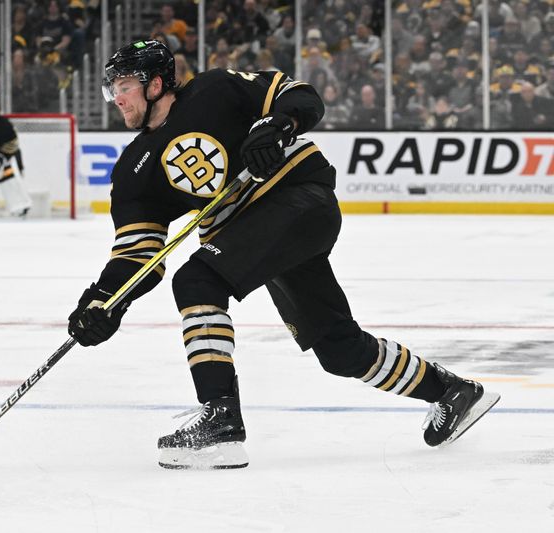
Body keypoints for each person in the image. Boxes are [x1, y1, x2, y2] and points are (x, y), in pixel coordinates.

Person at [66, 40, 501, 470]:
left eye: (123, 85)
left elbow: (300, 95)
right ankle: (451, 392)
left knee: (197, 280)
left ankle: (220, 418)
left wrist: (277, 124)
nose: (116, 98)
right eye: (112, 89)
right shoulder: (132, 172)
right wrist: (104, 299)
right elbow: (136, 253)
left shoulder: (215, 89)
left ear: (156, 83)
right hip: (260, 235)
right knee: (339, 350)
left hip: (299, 199)